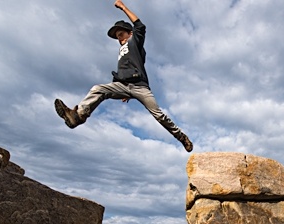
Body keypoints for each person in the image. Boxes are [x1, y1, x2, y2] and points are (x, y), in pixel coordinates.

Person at [54, 0, 193, 152]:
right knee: (97, 89)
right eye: (118, 37)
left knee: (159, 115)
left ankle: (181, 137)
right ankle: (78, 116)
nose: (120, 39)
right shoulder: (121, 51)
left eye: (121, 35)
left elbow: (141, 26)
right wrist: (121, 90)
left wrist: (123, 8)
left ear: (130, 33)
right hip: (123, 86)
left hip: (140, 86)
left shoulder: (135, 42)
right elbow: (121, 72)